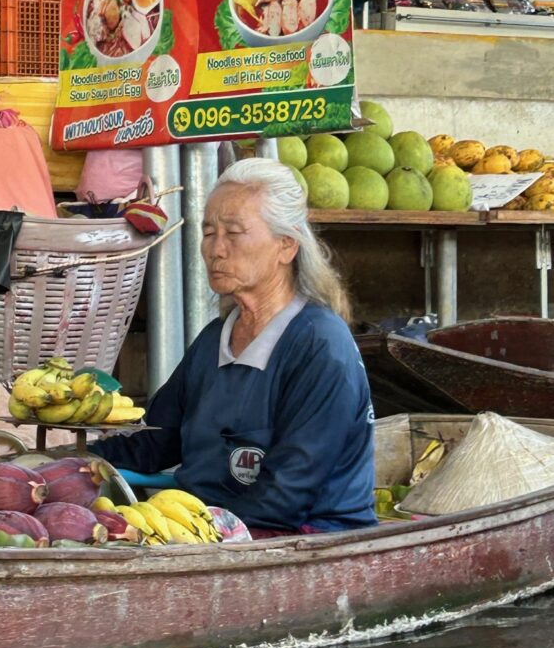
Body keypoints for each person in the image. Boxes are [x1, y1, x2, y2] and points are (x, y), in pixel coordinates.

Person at [92, 159, 378, 536]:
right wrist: (67, 459)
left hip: (304, 535)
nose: (216, 250)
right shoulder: (216, 338)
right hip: (216, 529)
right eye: (209, 232)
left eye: (234, 232)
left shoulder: (320, 345)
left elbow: (287, 494)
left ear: (286, 245)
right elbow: (156, 441)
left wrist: (201, 535)